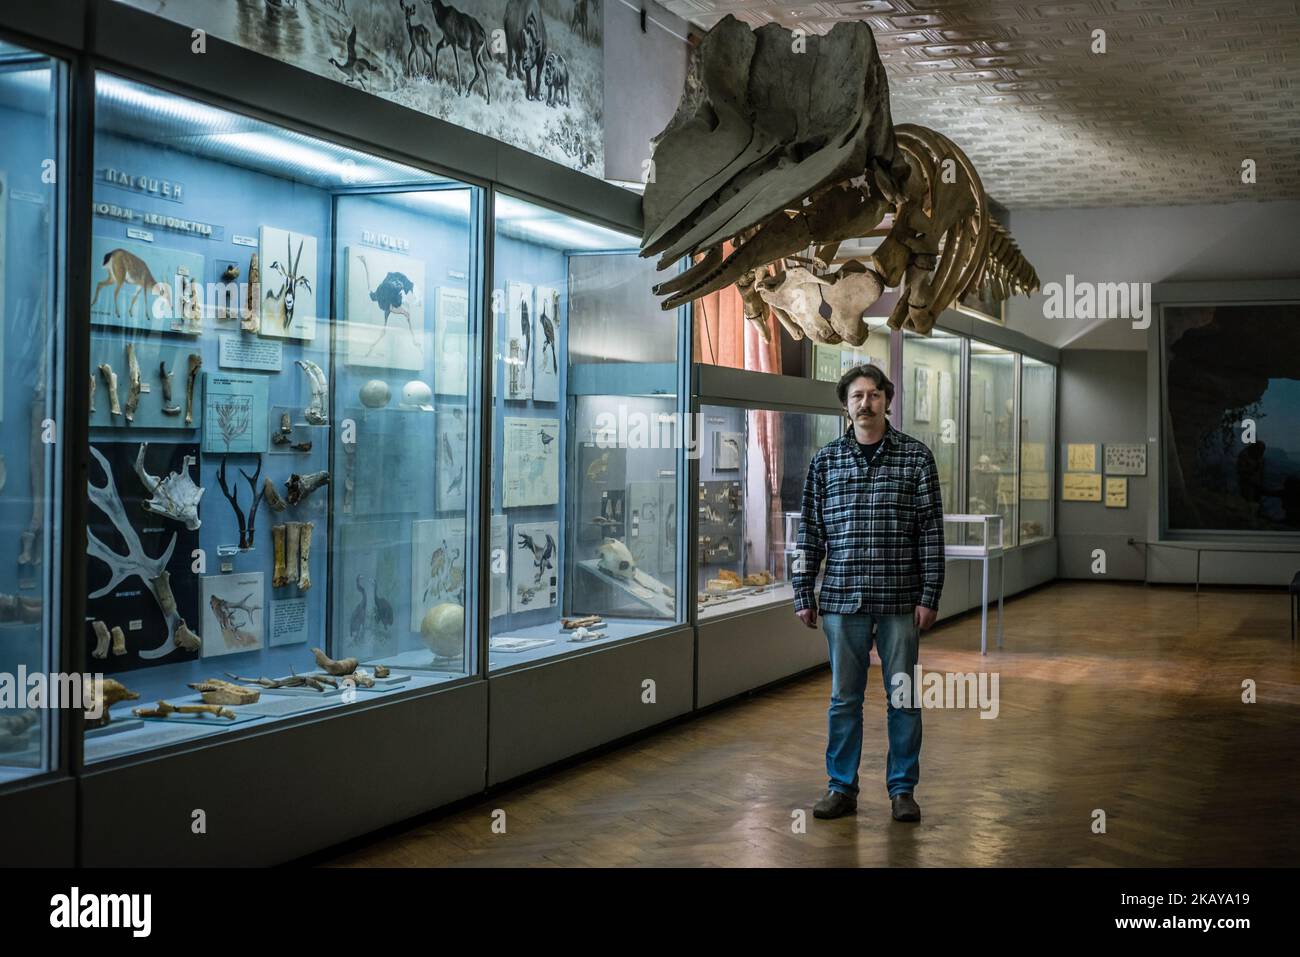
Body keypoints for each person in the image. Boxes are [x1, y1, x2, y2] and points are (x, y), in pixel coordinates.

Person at [793, 364, 945, 822]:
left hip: (900, 600)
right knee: (844, 700)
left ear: (887, 401)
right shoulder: (825, 462)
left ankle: (902, 791)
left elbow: (930, 533)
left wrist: (930, 594)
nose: (866, 403)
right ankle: (841, 787)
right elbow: (810, 533)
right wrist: (803, 590)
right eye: (857, 395)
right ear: (846, 404)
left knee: (902, 698)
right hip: (842, 600)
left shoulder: (916, 458)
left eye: (874, 394)